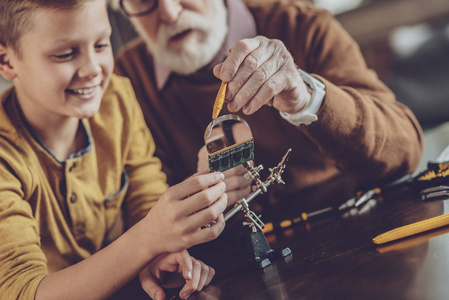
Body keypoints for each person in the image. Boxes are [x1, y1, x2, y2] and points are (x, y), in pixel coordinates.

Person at [0, 1, 228, 299]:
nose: (93, 69)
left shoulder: (117, 99)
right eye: (65, 54)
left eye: (101, 44)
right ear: (6, 62)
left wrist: (161, 255)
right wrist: (148, 241)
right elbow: (23, 292)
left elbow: (145, 201)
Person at [112, 0, 423, 209]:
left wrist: (308, 98)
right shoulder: (125, 80)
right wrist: (197, 198)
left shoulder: (301, 26)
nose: (168, 12)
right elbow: (145, 211)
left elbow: (405, 150)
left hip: (355, 224)